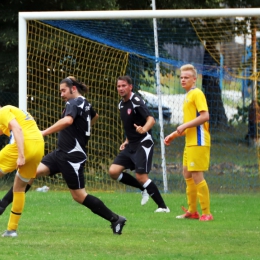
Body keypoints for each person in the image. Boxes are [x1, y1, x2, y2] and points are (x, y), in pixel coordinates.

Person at [0, 76, 126, 235]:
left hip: (72, 156)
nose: (61, 94)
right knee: (30, 173)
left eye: (63, 90)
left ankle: (115, 219)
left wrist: (44, 132)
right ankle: (3, 205)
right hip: (61, 153)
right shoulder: (85, 103)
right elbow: (95, 117)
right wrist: (82, 130)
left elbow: (67, 121)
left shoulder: (73, 103)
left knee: (79, 196)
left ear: (73, 89)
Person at [109, 75, 170, 213]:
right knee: (113, 171)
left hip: (143, 143)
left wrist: (144, 129)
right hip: (131, 145)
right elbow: (130, 127)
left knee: (141, 176)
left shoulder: (136, 101)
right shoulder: (121, 105)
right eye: (119, 86)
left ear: (130, 87)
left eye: (124, 85)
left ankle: (163, 207)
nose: (121, 88)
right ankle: (143, 189)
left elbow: (151, 120)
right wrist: (126, 141)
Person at [164, 64, 213, 221]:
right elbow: (190, 124)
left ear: (194, 79)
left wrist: (184, 125)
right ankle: (192, 211)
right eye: (181, 77)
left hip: (199, 141)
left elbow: (205, 116)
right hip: (190, 141)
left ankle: (206, 213)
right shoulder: (187, 96)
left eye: (186, 77)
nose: (183, 80)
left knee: (197, 175)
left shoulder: (197, 93)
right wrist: (173, 134)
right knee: (187, 173)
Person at [0, 105, 44, 237]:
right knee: (19, 188)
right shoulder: (15, 111)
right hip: (39, 147)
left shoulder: (3, 111)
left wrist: (21, 155)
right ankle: (11, 230)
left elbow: (18, 129)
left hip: (25, 145)